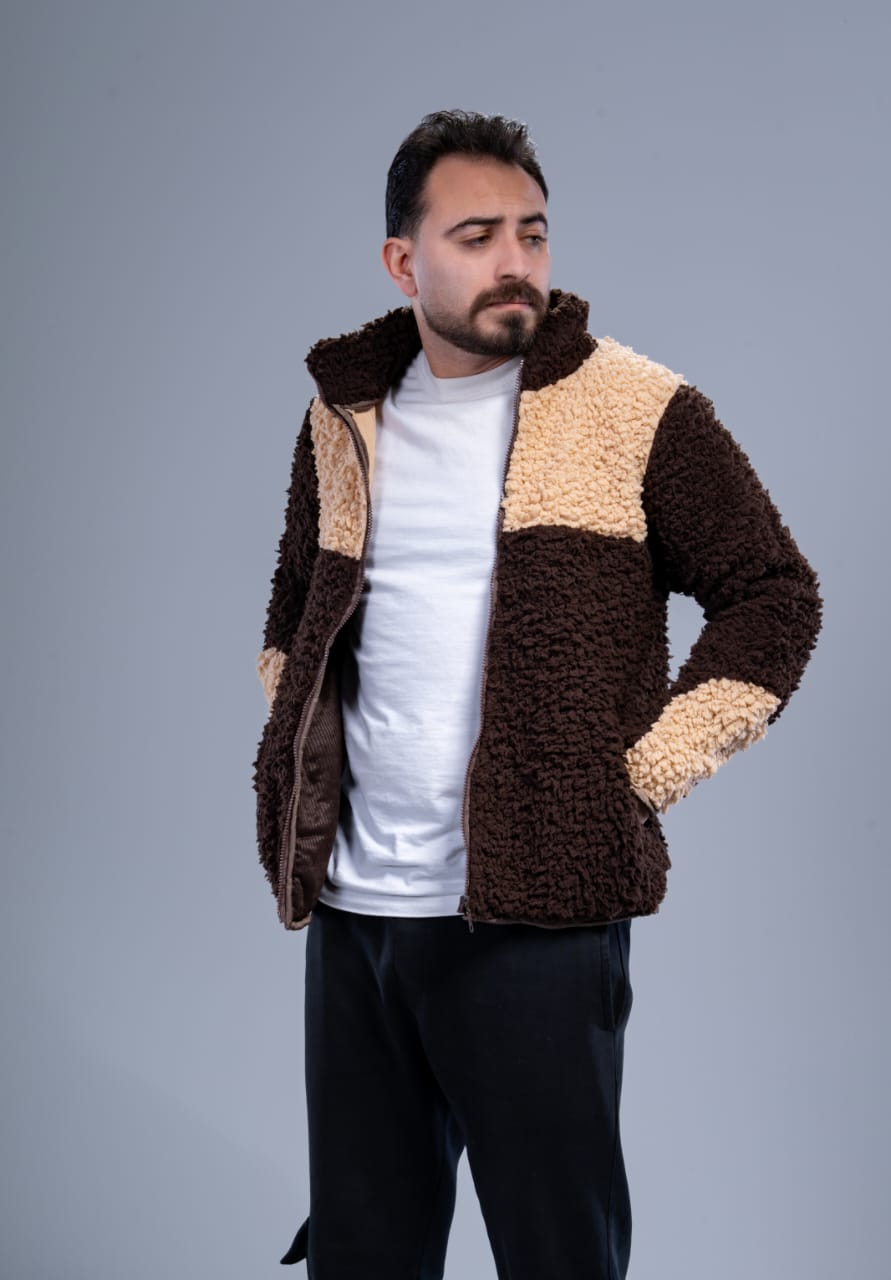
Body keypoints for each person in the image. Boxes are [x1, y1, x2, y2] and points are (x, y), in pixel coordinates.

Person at [252, 109, 822, 1280]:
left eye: (534, 231)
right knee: (361, 1256)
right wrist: (297, 746)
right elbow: (297, 605)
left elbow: (775, 595)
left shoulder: (636, 408)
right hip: (357, 914)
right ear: (404, 260)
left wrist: (642, 771)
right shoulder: (344, 414)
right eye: (478, 236)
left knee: (560, 1256)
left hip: (537, 924)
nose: (516, 260)